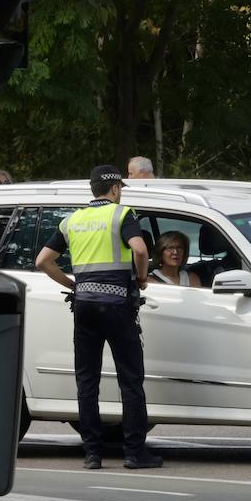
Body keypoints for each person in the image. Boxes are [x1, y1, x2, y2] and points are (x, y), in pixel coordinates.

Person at [35, 165, 161, 470]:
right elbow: (140, 250)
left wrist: (74, 285)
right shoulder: (121, 214)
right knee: (130, 380)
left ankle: (92, 453)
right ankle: (134, 452)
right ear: (116, 189)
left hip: (84, 307)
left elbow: (43, 261)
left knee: (87, 381)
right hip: (117, 304)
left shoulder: (72, 220)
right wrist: (142, 278)